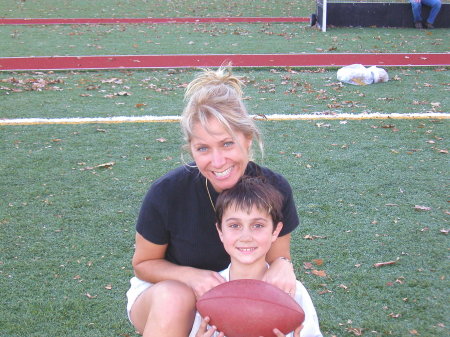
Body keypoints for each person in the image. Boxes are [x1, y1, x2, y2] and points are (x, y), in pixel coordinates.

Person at [126, 65, 300, 337]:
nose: (217, 162)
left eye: (227, 143)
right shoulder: (167, 192)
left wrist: (283, 265)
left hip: (238, 293)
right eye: (203, 148)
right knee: (176, 297)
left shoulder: (274, 188)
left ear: (248, 139)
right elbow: (143, 264)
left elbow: (278, 257)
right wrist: (191, 277)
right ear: (191, 149)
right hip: (167, 295)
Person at [193, 176, 323, 337]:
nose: (246, 237)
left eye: (257, 225)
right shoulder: (208, 291)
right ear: (220, 231)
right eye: (234, 225)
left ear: (275, 231)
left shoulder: (292, 291)